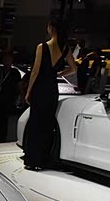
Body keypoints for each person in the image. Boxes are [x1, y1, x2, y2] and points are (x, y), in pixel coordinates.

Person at [23, 20, 77, 171]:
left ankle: (32, 160)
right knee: (46, 125)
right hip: (52, 89)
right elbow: (73, 68)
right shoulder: (65, 48)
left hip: (40, 88)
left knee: (35, 124)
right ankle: (42, 160)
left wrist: (28, 91)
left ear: (51, 28)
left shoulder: (42, 46)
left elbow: (35, 71)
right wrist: (58, 73)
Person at [0, 50, 21, 143]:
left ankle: (2, 137)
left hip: (8, 98)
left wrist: (18, 98)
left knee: (4, 119)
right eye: (5, 60)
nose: (6, 62)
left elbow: (18, 85)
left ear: (11, 61)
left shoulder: (15, 72)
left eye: (8, 60)